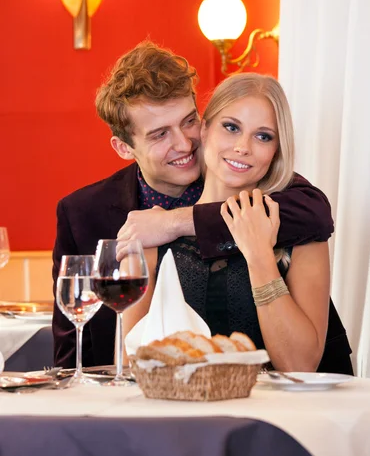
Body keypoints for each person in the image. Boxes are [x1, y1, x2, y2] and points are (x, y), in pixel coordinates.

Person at [52, 41, 337, 369]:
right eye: (160, 134)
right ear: (124, 147)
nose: (184, 143)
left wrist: (175, 222)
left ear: (201, 122)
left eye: (188, 122)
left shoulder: (273, 197)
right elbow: (90, 354)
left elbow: (315, 212)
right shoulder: (90, 216)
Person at [122, 73, 352, 373]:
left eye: (263, 136)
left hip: (287, 415)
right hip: (182, 413)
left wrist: (259, 256)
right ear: (204, 130)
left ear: (276, 151)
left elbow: (299, 365)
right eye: (231, 128)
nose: (243, 147)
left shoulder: (302, 236)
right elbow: (130, 367)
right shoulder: (152, 235)